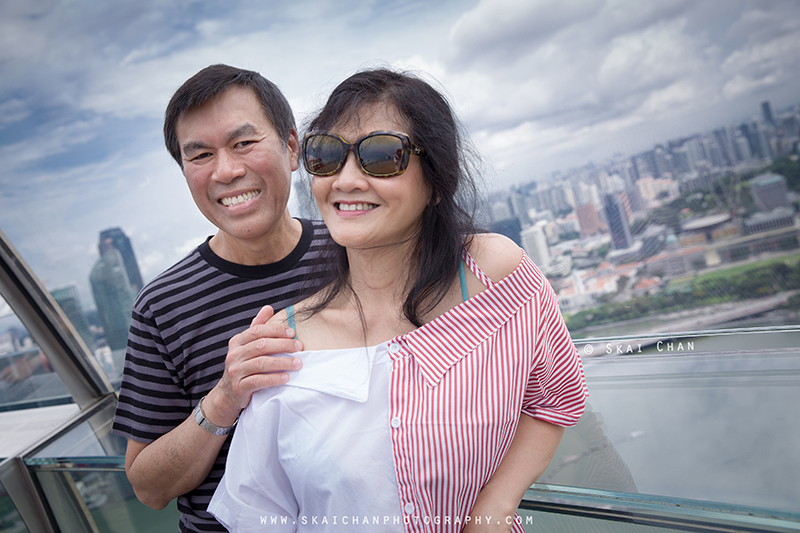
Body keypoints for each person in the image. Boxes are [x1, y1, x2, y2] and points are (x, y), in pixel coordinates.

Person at [208, 69, 589, 532]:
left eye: (382, 155)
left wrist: (492, 509)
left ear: (437, 181)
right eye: (326, 154)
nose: (346, 180)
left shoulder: (492, 278)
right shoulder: (282, 345)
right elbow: (259, 512)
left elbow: (554, 397)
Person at [111, 64, 330, 533]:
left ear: (292, 148)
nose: (227, 171)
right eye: (201, 155)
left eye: (244, 143)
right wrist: (226, 396)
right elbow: (149, 488)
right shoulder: (161, 306)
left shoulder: (357, 253)